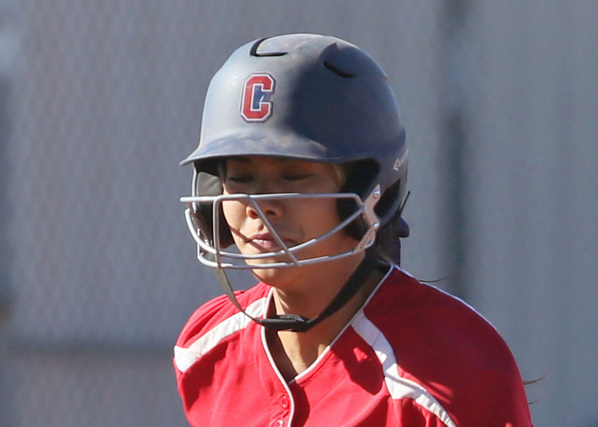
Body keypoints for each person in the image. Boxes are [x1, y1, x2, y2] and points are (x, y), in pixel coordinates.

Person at [174, 33, 533, 427]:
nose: (263, 205)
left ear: (369, 193)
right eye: (240, 178)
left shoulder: (451, 369)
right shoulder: (206, 348)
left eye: (294, 176)